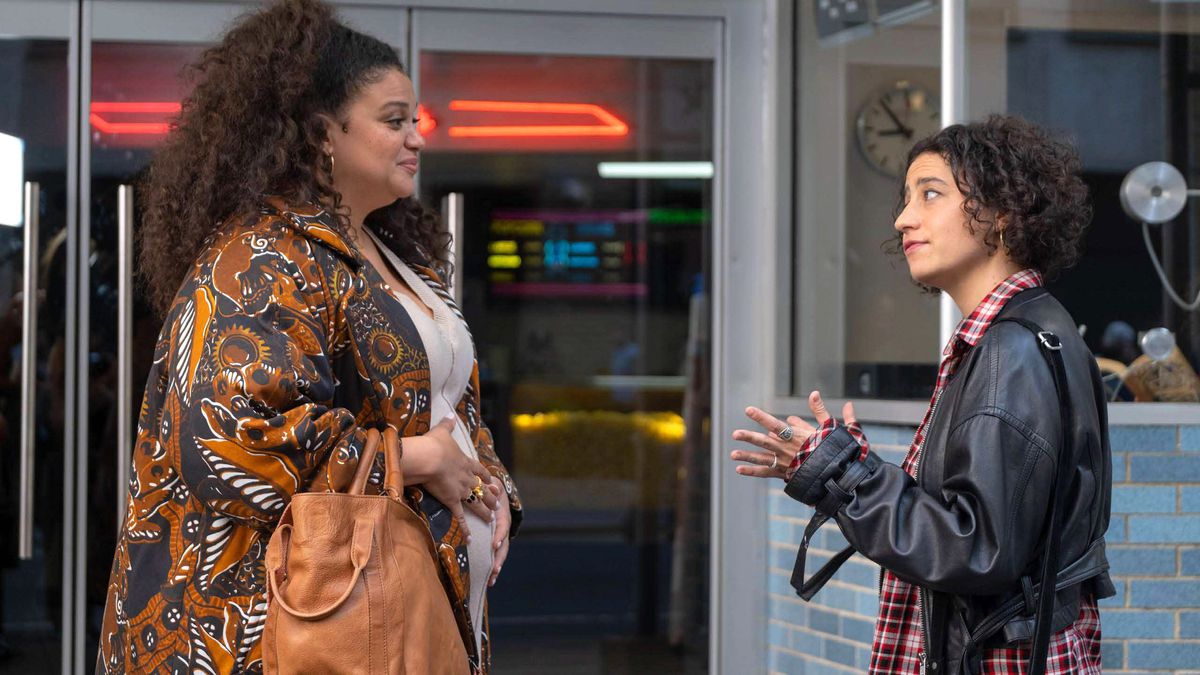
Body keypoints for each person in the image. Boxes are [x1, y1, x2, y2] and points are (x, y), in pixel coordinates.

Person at [96, 1, 521, 672]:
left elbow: (443, 407)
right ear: (325, 133)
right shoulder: (259, 258)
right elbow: (228, 438)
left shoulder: (395, 257)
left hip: (392, 615)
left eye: (416, 120)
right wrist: (416, 460)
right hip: (271, 631)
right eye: (393, 120)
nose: (416, 137)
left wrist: (486, 481)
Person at [732, 115, 1112, 674]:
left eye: (930, 194)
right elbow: (973, 518)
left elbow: (975, 548)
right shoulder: (1023, 330)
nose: (904, 218)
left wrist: (840, 475)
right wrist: (853, 464)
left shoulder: (1011, 348)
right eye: (906, 199)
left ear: (1002, 211)